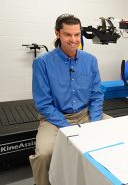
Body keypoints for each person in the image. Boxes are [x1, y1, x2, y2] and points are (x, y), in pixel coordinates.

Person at [29, 14, 104, 185]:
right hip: (54, 119)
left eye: (77, 34)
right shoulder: (42, 63)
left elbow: (97, 94)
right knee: (44, 154)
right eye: (68, 34)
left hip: (86, 114)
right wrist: (67, 128)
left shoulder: (90, 60)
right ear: (57, 34)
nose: (73, 39)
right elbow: (43, 103)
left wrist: (95, 121)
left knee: (115, 136)